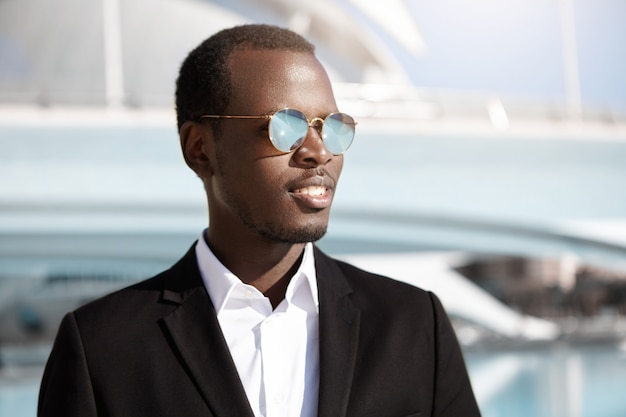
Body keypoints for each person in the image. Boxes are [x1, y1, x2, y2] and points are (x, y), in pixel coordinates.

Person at [38, 24, 481, 417]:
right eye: (284, 126)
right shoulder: (102, 347)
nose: (319, 151)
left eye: (332, 126)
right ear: (200, 149)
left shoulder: (414, 326)